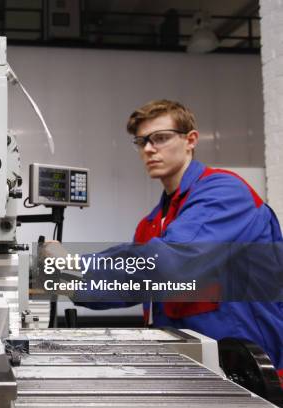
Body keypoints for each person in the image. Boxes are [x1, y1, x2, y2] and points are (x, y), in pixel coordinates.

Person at [46, 100, 283, 377]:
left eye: (160, 138)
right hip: (189, 370)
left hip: (247, 371)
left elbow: (167, 264)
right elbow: (130, 286)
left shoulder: (225, 193)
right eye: (141, 141)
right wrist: (63, 276)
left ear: (190, 140)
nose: (148, 149)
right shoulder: (151, 223)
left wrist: (73, 266)